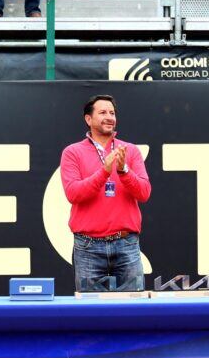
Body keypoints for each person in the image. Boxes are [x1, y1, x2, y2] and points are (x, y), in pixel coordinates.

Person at [60, 94, 152, 292]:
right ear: (88, 119)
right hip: (88, 247)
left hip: (127, 244)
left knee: (133, 311)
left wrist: (123, 171)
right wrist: (104, 171)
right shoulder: (72, 152)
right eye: (102, 112)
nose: (109, 117)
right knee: (90, 314)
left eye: (112, 113)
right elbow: (73, 193)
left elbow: (144, 193)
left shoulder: (130, 151)